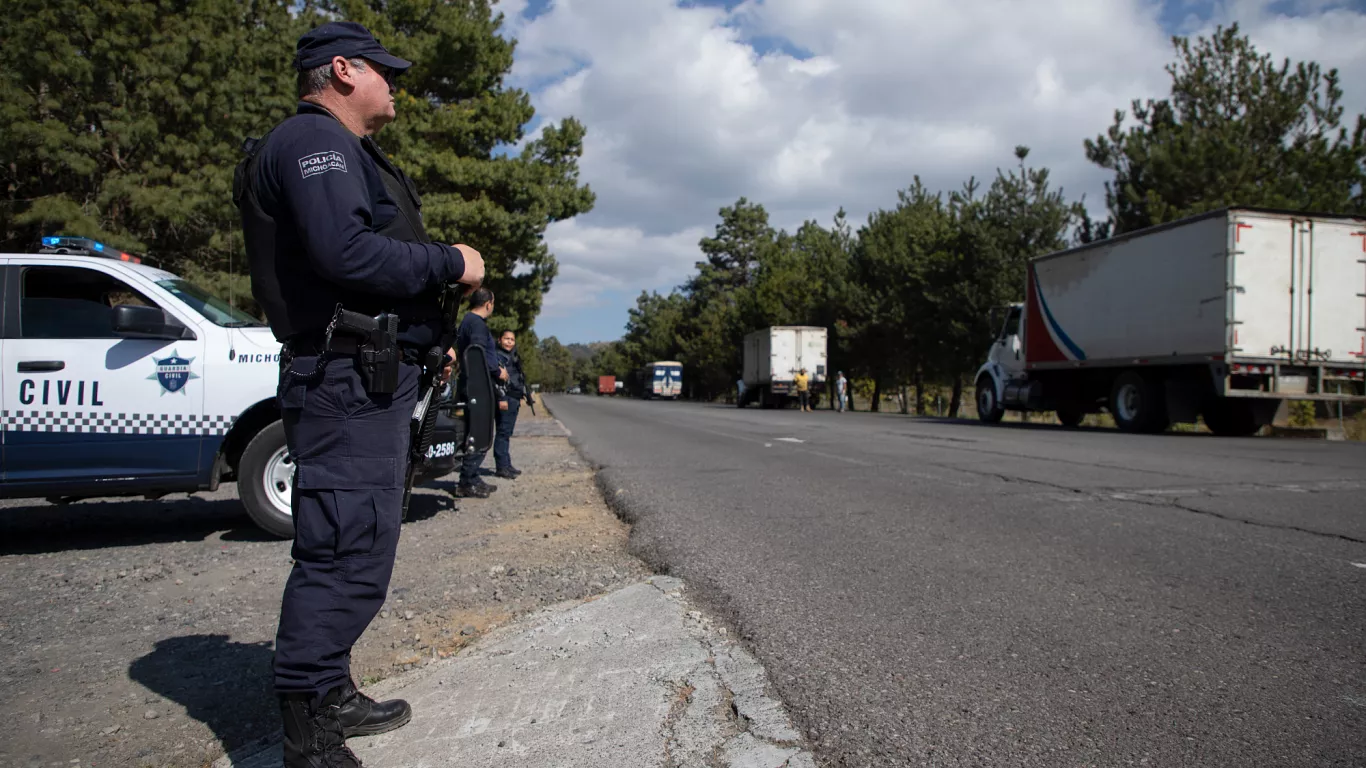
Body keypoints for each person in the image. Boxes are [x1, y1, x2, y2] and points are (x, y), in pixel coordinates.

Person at [234, 21, 485, 767]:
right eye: (385, 70)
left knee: (361, 543)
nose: (395, 82)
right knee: (343, 548)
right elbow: (345, 252)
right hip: (344, 379)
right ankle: (309, 735)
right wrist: (451, 262)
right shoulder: (314, 144)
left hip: (364, 376)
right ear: (342, 70)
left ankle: (329, 686)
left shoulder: (340, 149)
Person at [455, 288, 506, 497]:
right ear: (488, 303)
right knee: (479, 431)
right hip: (478, 386)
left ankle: (472, 476)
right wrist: (497, 371)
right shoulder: (476, 324)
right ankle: (467, 481)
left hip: (472, 384)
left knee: (475, 431)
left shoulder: (468, 321)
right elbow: (477, 354)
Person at [493, 329, 530, 478]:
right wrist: (501, 399)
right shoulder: (498, 357)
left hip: (514, 398)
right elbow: (497, 381)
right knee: (502, 433)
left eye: (512, 339)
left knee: (507, 433)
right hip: (506, 399)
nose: (509, 342)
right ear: (500, 340)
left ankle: (506, 464)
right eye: (506, 339)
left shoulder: (512, 356)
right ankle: (502, 467)